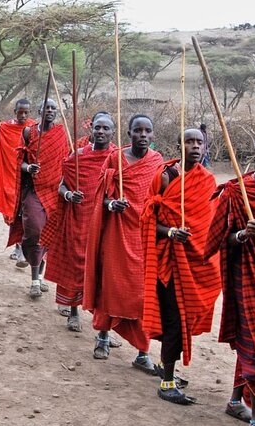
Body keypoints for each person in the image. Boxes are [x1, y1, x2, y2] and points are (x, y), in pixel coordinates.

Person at [140, 128, 221, 404]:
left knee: (182, 318)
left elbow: (208, 224)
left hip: (196, 260)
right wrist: (171, 232)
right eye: (189, 142)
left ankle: (167, 367)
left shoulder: (208, 181)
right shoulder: (166, 176)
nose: (195, 146)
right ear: (179, 146)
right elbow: (148, 220)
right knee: (174, 320)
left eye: (200, 142)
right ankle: (167, 382)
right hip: (169, 262)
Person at [83, 114, 164, 371]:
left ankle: (142, 352)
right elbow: (101, 196)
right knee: (110, 286)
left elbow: (163, 199)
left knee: (143, 295)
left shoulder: (157, 162)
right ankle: (103, 337)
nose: (142, 135)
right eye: (137, 130)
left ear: (152, 135)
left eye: (147, 131)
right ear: (128, 134)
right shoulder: (115, 158)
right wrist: (112, 204)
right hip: (116, 234)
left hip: (144, 236)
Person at [206, 134, 255, 424]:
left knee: (253, 343)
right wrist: (243, 234)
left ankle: (234, 400)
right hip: (250, 278)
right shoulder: (239, 191)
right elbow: (214, 242)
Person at [42, 113, 116, 331]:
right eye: (97, 128)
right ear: (91, 130)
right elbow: (61, 185)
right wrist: (68, 195)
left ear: (112, 132)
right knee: (76, 266)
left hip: (105, 221)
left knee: (103, 271)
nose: (101, 132)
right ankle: (73, 312)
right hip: (79, 219)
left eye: (106, 128)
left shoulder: (118, 159)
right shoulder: (78, 156)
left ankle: (102, 326)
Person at [7, 98, 71, 299]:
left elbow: (68, 162)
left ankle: (38, 278)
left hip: (55, 192)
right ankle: (35, 276)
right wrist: (29, 167)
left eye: (53, 108)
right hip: (33, 191)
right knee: (34, 232)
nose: (50, 111)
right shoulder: (29, 132)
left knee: (47, 234)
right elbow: (19, 162)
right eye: (47, 108)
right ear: (40, 111)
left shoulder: (62, 133)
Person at [0, 99, 36, 268]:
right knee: (14, 212)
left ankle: (22, 248)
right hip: (11, 175)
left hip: (27, 178)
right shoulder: (6, 128)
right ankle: (18, 246)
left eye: (26, 112)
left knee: (26, 213)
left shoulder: (34, 128)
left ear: (30, 113)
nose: (23, 115)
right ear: (15, 112)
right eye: (20, 112)